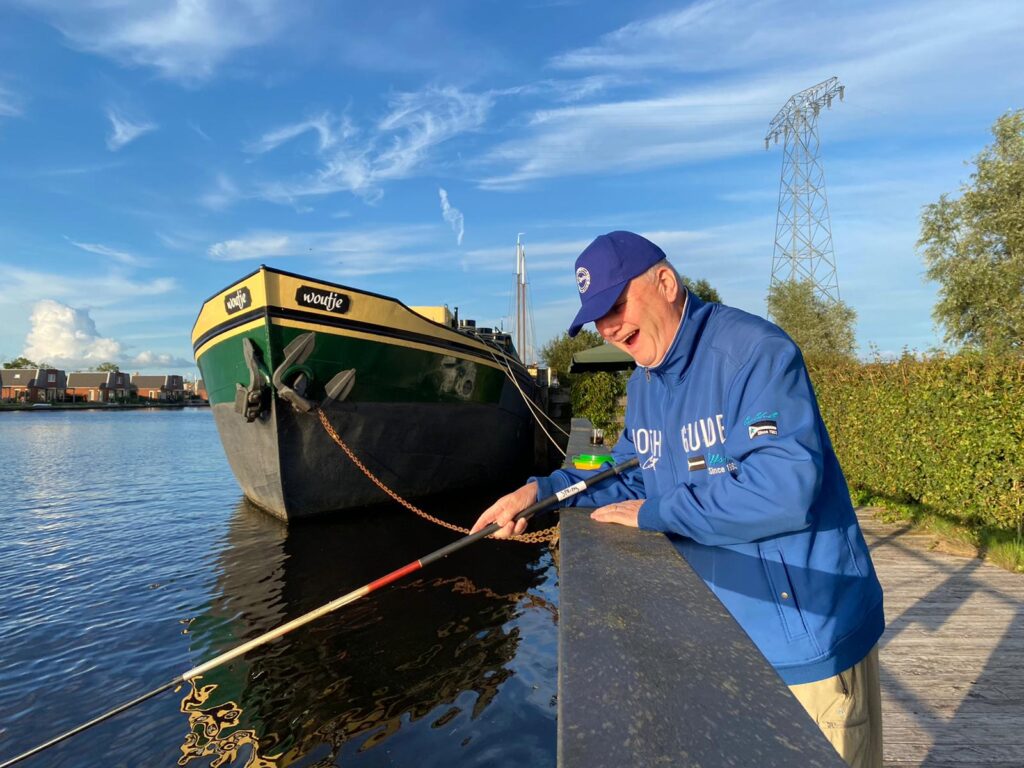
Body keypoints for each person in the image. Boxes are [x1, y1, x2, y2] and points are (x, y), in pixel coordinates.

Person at [471, 230, 885, 768]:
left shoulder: (755, 353)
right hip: (722, 640)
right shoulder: (646, 384)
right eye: (598, 317)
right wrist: (542, 492)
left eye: (616, 305)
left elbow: (782, 489)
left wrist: (657, 513)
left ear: (665, 282)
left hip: (805, 644)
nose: (610, 327)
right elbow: (629, 470)